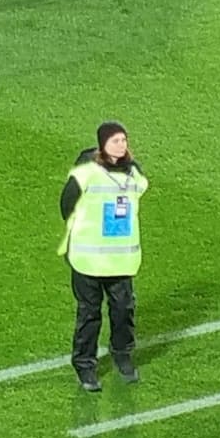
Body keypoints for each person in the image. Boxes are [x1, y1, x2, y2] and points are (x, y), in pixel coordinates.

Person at [62, 122, 144, 392]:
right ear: (102, 144)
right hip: (88, 260)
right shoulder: (86, 173)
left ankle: (123, 355)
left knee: (123, 309)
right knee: (89, 313)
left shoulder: (133, 173)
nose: (121, 145)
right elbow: (67, 205)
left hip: (121, 260)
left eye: (124, 140)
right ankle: (85, 366)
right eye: (115, 141)